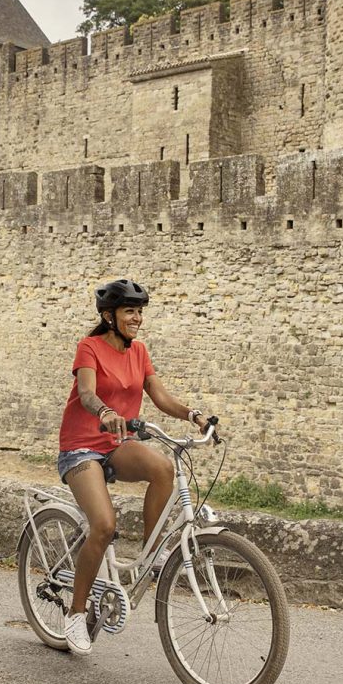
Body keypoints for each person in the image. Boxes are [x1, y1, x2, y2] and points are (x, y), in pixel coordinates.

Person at [56, 278, 213, 656]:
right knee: (105, 526)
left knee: (163, 469)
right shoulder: (89, 347)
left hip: (117, 445)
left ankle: (152, 549)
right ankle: (76, 613)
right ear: (110, 316)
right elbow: (88, 393)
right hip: (80, 448)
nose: (137, 318)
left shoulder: (139, 351)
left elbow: (159, 397)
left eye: (140, 311)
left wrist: (194, 415)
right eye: (130, 311)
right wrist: (105, 412)